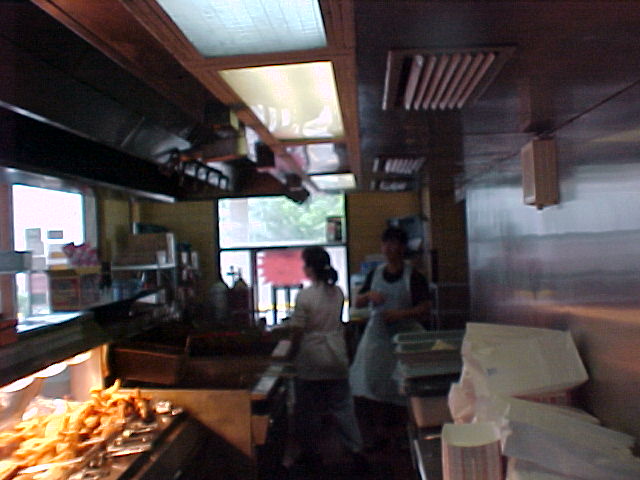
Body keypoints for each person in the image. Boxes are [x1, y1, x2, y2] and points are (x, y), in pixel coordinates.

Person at [349, 226, 430, 449]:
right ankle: (379, 434)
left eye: (394, 243)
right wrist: (368, 295)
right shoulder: (375, 274)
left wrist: (401, 314)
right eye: (386, 243)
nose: (389, 248)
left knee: (404, 388)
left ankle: (404, 433)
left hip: (405, 340)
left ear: (402, 248)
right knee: (372, 385)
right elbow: (357, 302)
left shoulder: (413, 276)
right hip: (377, 338)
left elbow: (425, 308)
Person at [288, 246, 366, 471]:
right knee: (343, 409)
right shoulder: (338, 292)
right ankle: (356, 451)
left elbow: (298, 331)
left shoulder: (304, 296)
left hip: (311, 360)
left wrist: (290, 355)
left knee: (308, 412)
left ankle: (311, 455)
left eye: (305, 264)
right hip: (336, 357)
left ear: (311, 268)